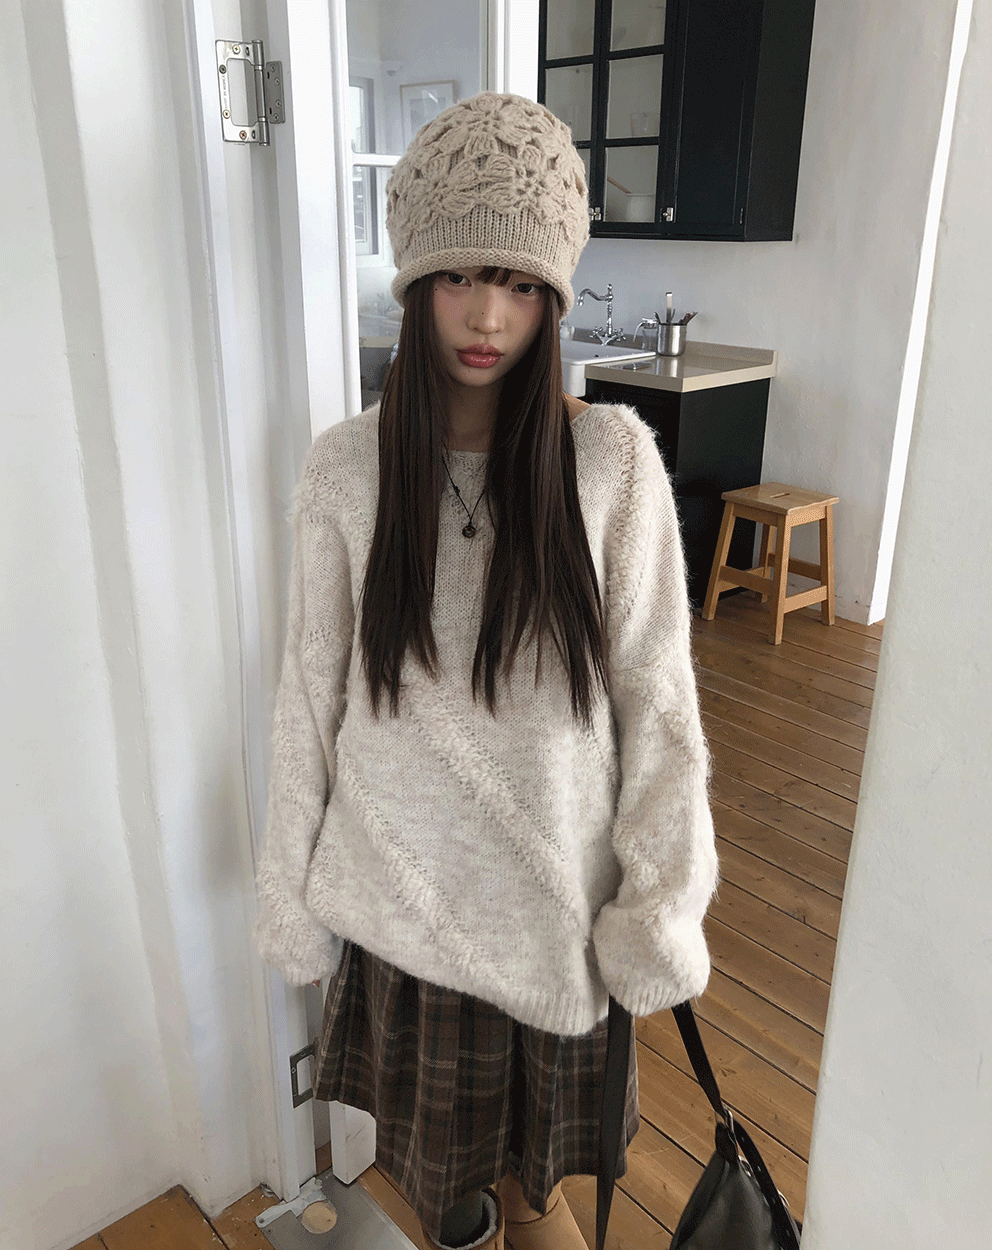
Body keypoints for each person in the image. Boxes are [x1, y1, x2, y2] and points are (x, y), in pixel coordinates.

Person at [251, 91, 719, 1250]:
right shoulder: (347, 467)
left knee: (536, 1201)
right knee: (443, 1199)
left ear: (551, 297)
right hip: (402, 918)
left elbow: (657, 703)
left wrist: (657, 907)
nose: (486, 314)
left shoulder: (608, 463)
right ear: (415, 281)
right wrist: (289, 889)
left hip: (554, 923)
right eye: (458, 275)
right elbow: (310, 695)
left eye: (517, 283)